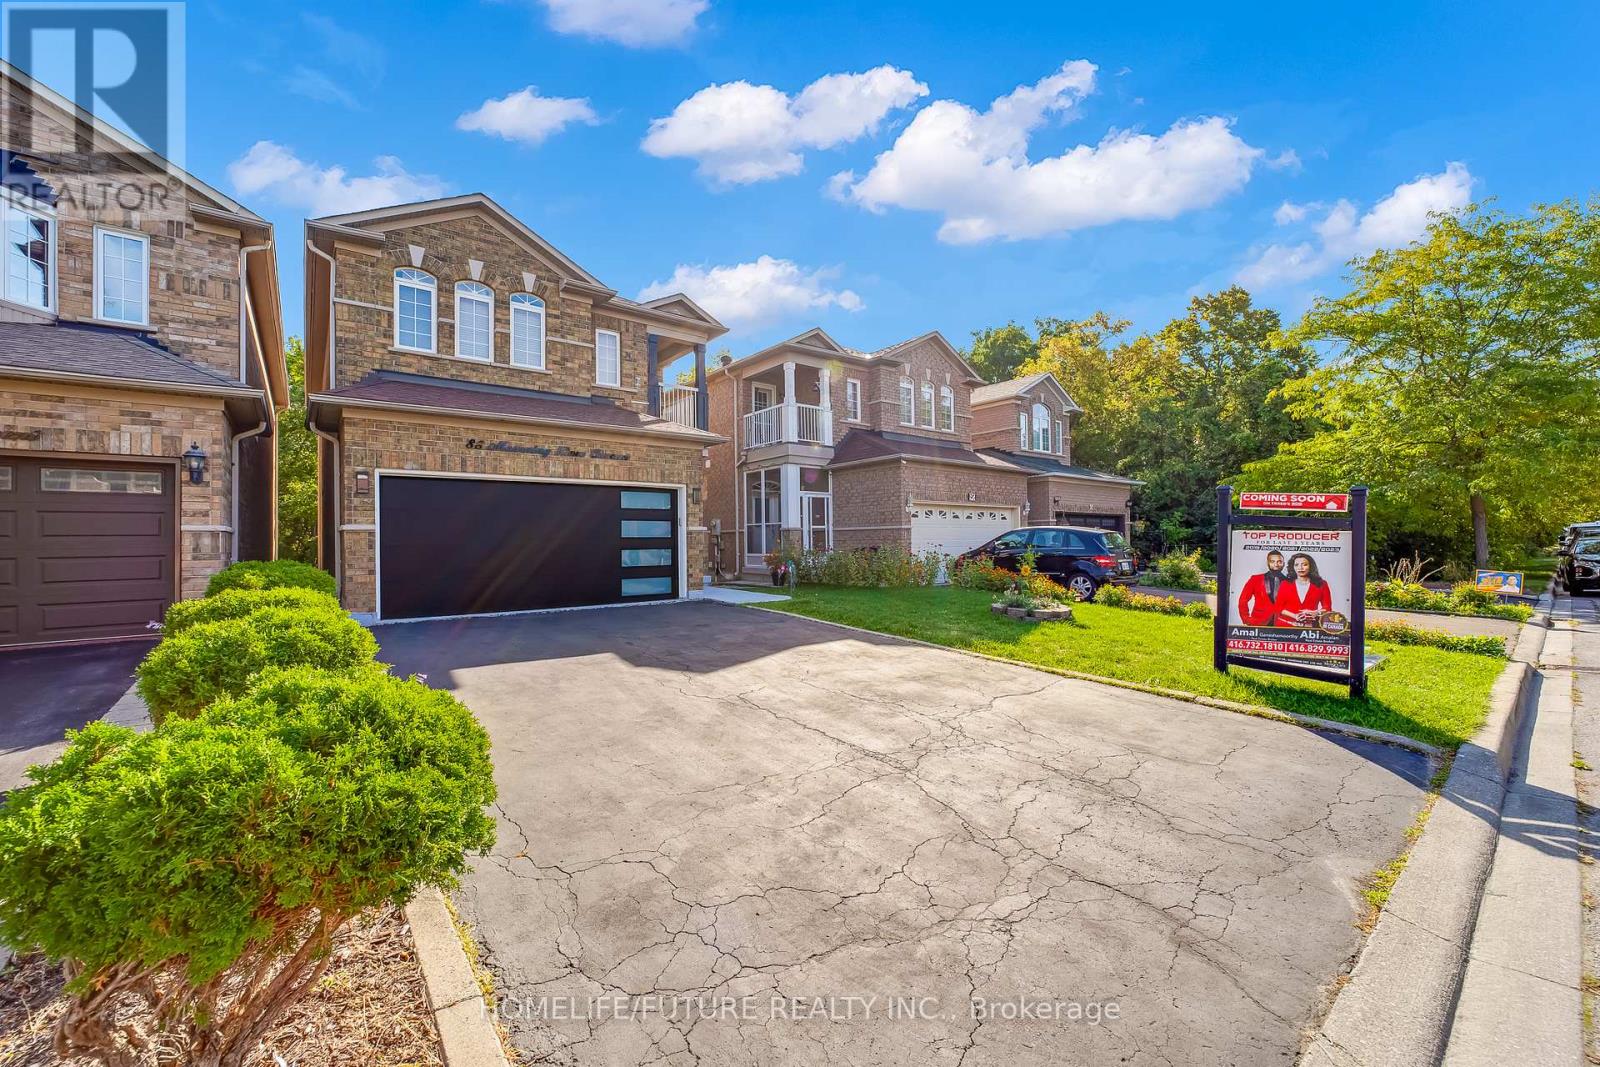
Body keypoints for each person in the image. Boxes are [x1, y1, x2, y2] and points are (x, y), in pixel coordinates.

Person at [1274, 552, 1332, 626]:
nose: (1300, 568)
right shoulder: (1285, 584)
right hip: (1286, 626)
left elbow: (1327, 608)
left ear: (1311, 566)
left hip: (1309, 628)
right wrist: (1294, 616)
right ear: (1293, 567)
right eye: (1296, 565)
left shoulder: (1322, 584)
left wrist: (1316, 613)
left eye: (1304, 564)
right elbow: (1278, 607)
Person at [1237, 550, 1287, 625]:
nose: (1276, 564)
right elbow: (1243, 600)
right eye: (1272, 561)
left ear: (1283, 564)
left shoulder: (1290, 582)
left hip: (1283, 624)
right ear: (1268, 563)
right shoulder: (1255, 579)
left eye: (1279, 562)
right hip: (1259, 622)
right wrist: (1246, 619)